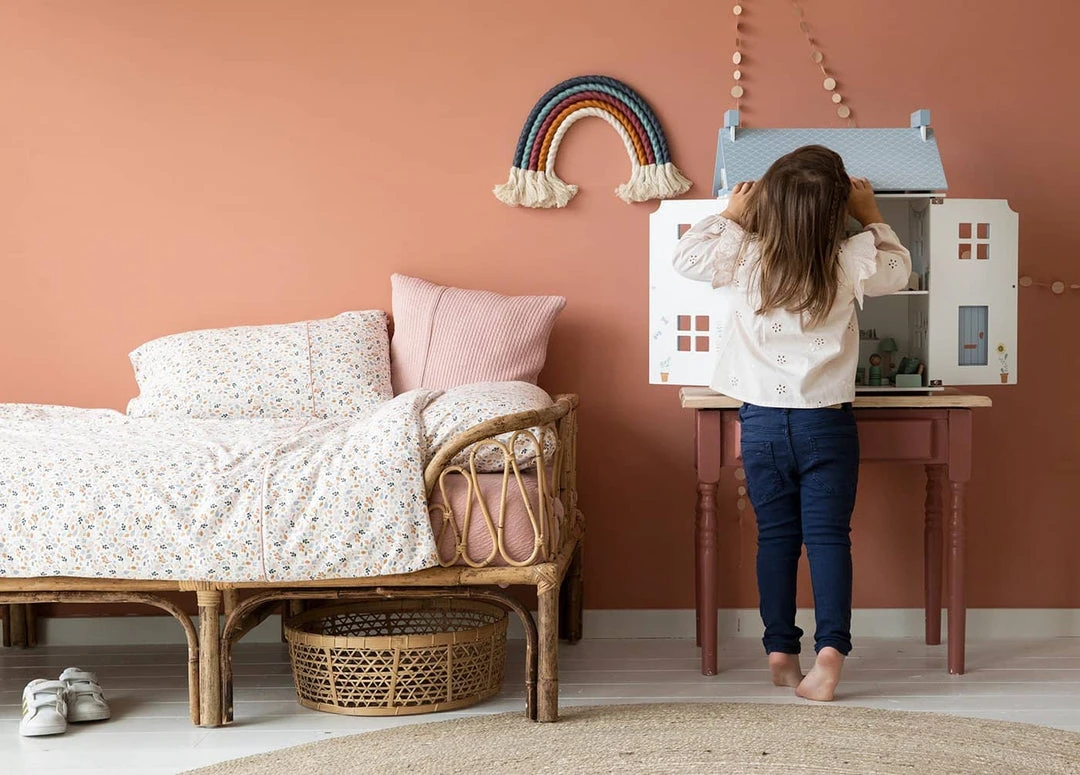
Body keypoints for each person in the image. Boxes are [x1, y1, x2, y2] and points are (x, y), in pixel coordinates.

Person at [671, 145, 911, 701]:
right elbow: (898, 271)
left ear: (768, 203)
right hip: (826, 423)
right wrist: (872, 215)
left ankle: (780, 652)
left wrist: (731, 215)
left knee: (775, 538)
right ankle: (830, 656)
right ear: (837, 210)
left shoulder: (744, 255)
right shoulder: (851, 258)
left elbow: (686, 258)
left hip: (761, 424)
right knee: (828, 540)